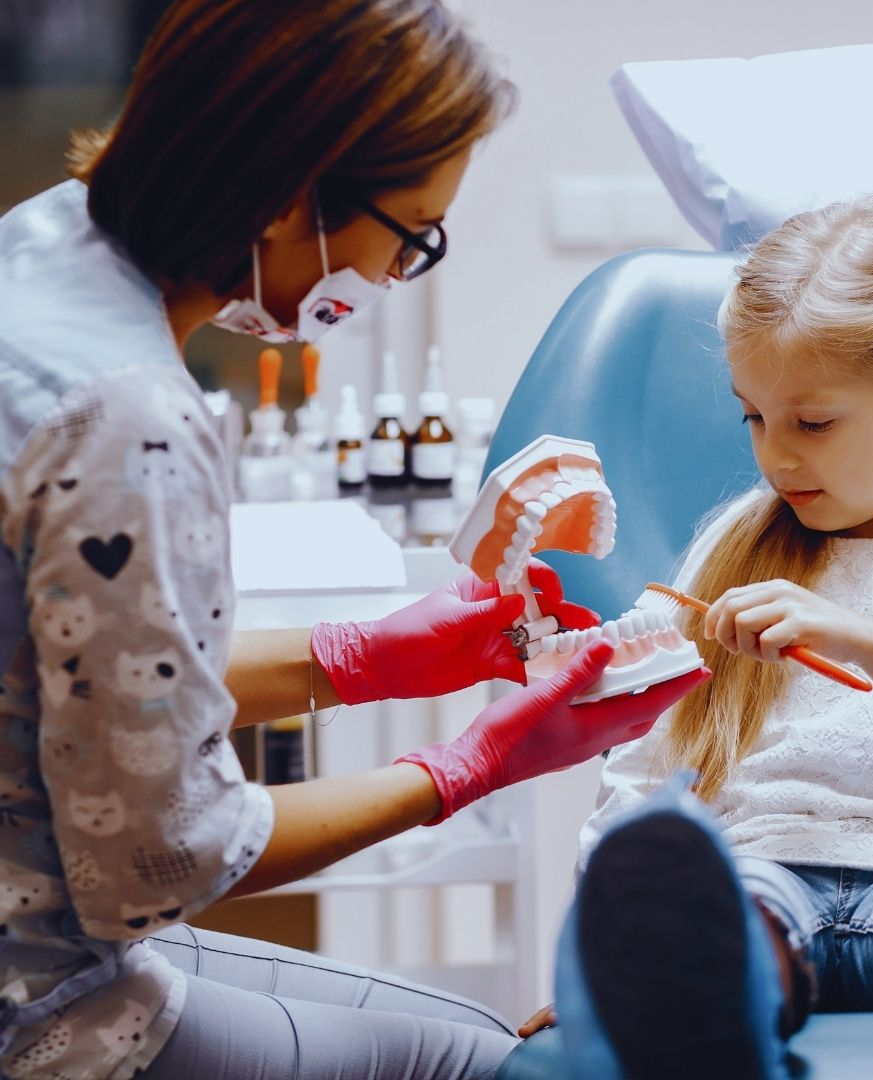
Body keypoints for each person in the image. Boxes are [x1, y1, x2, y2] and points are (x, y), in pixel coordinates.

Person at [0, 2, 708, 1078]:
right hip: (40, 1006)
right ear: (294, 196)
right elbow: (159, 859)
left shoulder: (40, 246)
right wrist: (472, 764)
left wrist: (361, 658)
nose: (393, 275)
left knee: (472, 1028)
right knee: (510, 1062)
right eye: (411, 234)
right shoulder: (132, 421)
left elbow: (83, 687)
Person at [519, 194, 873, 1077]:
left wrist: (866, 640)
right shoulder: (736, 543)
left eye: (812, 422)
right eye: (754, 416)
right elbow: (647, 763)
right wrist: (605, 958)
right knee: (704, 916)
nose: (775, 456)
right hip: (759, 870)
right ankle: (693, 1001)